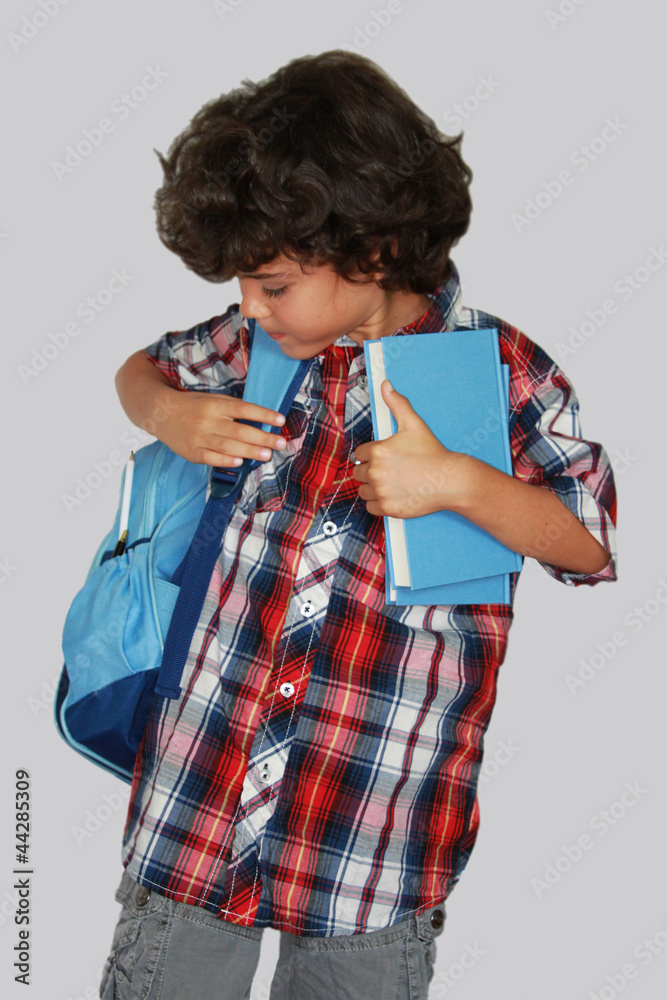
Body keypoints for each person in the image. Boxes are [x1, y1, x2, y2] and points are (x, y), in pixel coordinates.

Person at [100, 50, 617, 1000]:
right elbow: (144, 371)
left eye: (270, 283)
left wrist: (458, 484)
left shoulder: (500, 372)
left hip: (377, 834)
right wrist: (168, 413)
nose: (248, 306)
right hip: (200, 806)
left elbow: (587, 544)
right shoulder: (257, 343)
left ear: (372, 252)